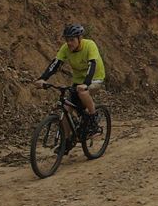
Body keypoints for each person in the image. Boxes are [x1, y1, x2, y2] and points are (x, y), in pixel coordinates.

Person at [35, 24, 106, 153]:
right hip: (78, 81)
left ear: (80, 38)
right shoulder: (65, 49)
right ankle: (67, 141)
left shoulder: (90, 45)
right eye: (67, 40)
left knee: (83, 93)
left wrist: (86, 83)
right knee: (66, 109)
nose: (69, 43)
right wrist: (43, 78)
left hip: (94, 78)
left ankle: (93, 118)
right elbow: (55, 64)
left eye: (72, 39)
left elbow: (92, 64)